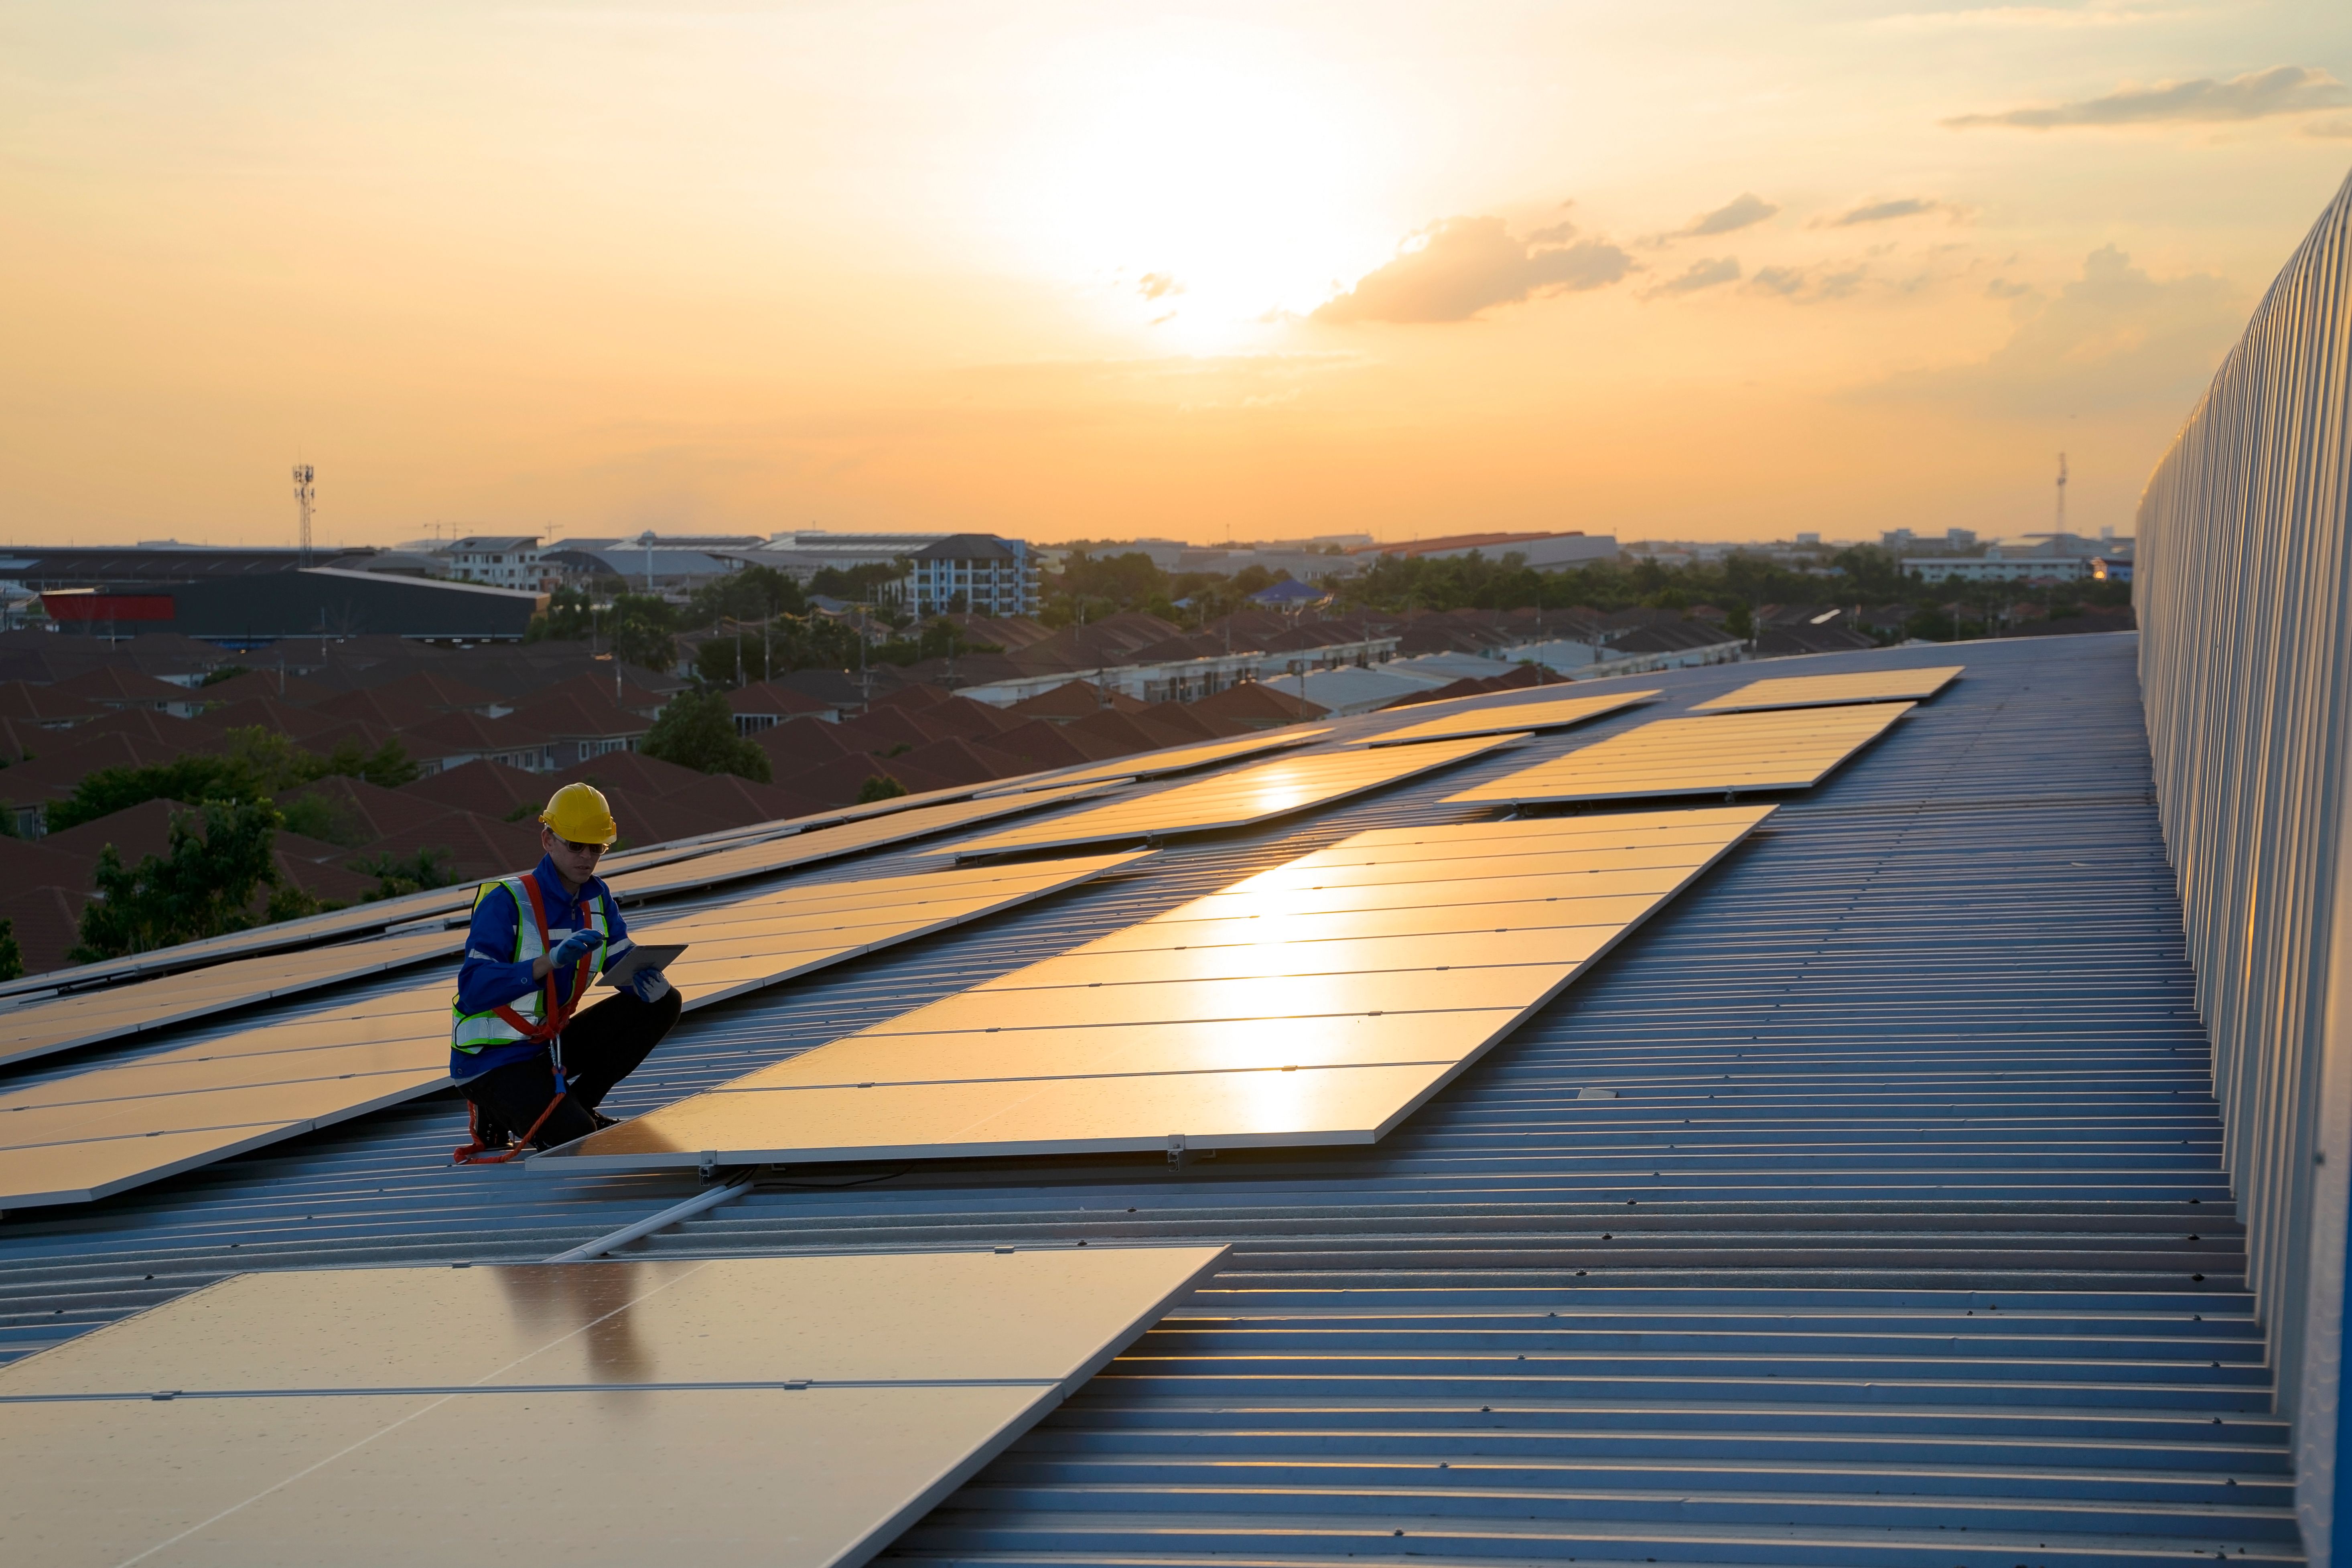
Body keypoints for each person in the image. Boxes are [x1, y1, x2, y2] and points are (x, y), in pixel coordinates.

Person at [450, 781, 681, 1158]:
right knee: (575, 1136)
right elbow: (474, 989)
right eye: (576, 845)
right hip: (492, 1059)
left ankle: (579, 1103)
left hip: (547, 1046)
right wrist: (547, 963)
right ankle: (496, 1109)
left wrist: (644, 982)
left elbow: (620, 956)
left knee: (665, 1003)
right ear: (548, 840)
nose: (586, 857)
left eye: (597, 848)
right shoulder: (506, 901)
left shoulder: (597, 897)